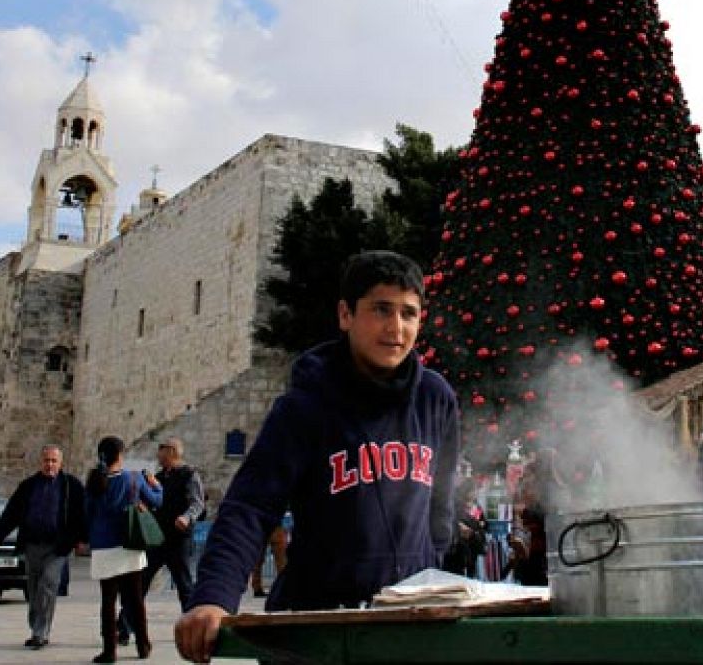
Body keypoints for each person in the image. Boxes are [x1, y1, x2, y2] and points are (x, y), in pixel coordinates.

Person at [176, 250, 460, 664]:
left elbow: (441, 507)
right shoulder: (304, 406)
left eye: (408, 313)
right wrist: (214, 598)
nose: (396, 328)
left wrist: (427, 570)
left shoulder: (437, 399)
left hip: (406, 628)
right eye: (381, 309)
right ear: (346, 314)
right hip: (314, 629)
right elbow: (251, 507)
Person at [0, 444, 88, 649]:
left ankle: (40, 632)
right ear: (41, 462)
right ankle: (36, 627)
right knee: (33, 588)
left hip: (58, 547)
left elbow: (81, 515)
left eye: (54, 461)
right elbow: (12, 512)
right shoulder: (28, 486)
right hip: (32, 544)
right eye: (46, 460)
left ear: (61, 463)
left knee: (48, 585)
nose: (49, 464)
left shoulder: (71, 486)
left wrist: (81, 540)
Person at [118, 437, 205, 645]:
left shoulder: (189, 475)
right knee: (139, 584)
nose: (158, 455)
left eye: (161, 450)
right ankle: (124, 628)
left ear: (172, 452)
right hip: (156, 539)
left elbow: (197, 502)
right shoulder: (157, 478)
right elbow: (150, 501)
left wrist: (186, 517)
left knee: (185, 586)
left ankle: (193, 628)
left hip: (179, 541)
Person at [85, 435, 164, 663]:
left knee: (107, 601)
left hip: (103, 546)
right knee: (135, 599)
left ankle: (109, 650)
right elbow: (157, 501)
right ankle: (143, 644)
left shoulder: (93, 481)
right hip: (129, 544)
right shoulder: (133, 479)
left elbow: (87, 513)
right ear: (120, 455)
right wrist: (157, 486)